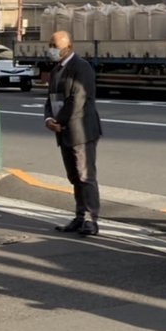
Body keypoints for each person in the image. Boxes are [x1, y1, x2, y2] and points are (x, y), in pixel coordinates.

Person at [45, 30, 103, 236]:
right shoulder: (56, 70)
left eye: (55, 46)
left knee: (85, 175)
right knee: (74, 176)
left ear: (68, 47)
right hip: (63, 131)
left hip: (82, 130)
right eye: (50, 45)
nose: (51, 49)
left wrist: (58, 120)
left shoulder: (81, 67)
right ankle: (80, 216)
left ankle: (90, 219)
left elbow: (77, 100)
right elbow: (50, 99)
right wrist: (49, 119)